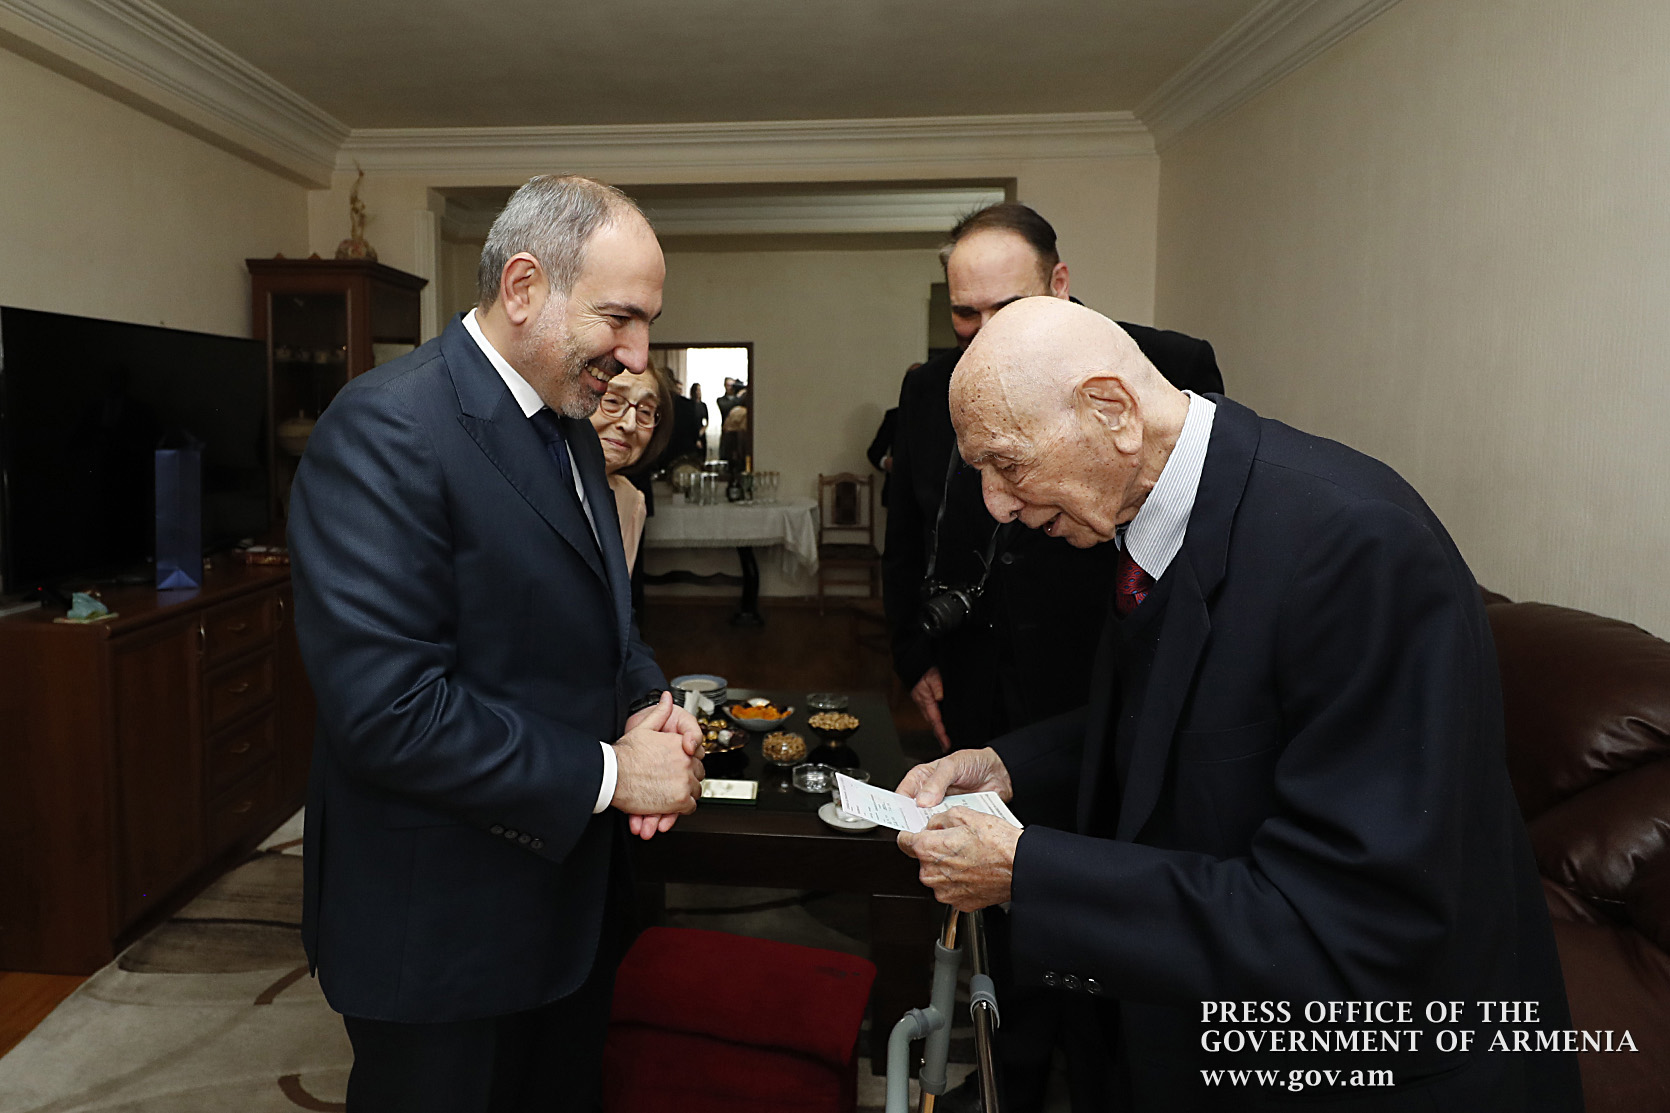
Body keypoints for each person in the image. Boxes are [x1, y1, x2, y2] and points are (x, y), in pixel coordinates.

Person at [894, 297, 1581, 1112]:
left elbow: (1343, 920)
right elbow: (1180, 722)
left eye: (1006, 464)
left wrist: (1027, 871)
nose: (996, 504)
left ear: (1111, 411)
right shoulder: (1155, 515)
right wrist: (1009, 765)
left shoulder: (1357, 550)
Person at [287, 174, 705, 1113]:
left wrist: (650, 702)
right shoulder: (387, 427)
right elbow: (390, 713)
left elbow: (602, 613)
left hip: (565, 912)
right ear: (523, 287)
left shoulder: (569, 421)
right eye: (620, 318)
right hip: (440, 933)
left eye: (648, 323)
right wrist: (614, 773)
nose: (638, 357)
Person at [883, 203, 1224, 756]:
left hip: (1102, 676)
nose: (987, 332)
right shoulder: (927, 390)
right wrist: (914, 656)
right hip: (972, 676)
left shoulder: (1166, 363)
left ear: (1059, 282)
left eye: (1008, 307)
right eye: (965, 312)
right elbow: (905, 534)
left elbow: (1201, 533)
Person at [589, 362, 673, 570]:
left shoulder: (630, 500)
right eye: (612, 401)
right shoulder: (534, 481)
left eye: (645, 411)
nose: (630, 424)